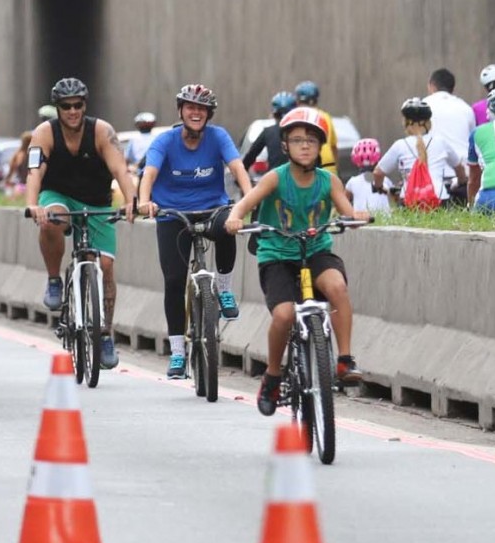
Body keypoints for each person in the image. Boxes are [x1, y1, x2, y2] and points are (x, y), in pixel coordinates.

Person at [224, 107, 369, 416]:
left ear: (321, 147)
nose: (305, 146)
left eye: (312, 141)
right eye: (297, 140)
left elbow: (347, 212)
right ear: (285, 145)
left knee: (338, 288)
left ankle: (344, 360)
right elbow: (243, 205)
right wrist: (235, 218)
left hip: (315, 251)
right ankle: (273, 376)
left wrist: (356, 216)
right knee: (284, 315)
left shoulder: (329, 181)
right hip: (277, 255)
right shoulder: (274, 179)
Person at [137, 84, 253, 379]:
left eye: (202, 109)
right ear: (181, 110)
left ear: (209, 114)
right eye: (190, 107)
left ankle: (224, 290)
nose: (196, 113)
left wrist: (246, 202)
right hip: (172, 214)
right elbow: (149, 173)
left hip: (211, 208)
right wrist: (144, 201)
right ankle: (178, 352)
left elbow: (238, 168)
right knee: (174, 281)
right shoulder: (165, 140)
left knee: (228, 225)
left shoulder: (218, 136)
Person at [25, 77, 135, 371]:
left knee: (106, 266)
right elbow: (34, 172)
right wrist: (33, 204)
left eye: (77, 105)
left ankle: (105, 333)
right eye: (66, 106)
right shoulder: (44, 133)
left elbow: (120, 171)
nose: (72, 111)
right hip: (57, 195)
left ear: (85, 105)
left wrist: (131, 202)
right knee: (52, 220)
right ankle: (54, 280)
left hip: (96, 202)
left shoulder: (102, 131)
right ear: (57, 108)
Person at [373, 98, 466, 206]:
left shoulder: (400, 145)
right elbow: (459, 168)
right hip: (438, 199)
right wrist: (460, 182)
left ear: (406, 123)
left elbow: (378, 173)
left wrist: (379, 186)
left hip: (409, 201)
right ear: (428, 123)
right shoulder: (441, 142)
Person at [424, 68, 475, 203]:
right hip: (463, 179)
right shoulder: (466, 108)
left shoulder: (423, 106)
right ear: (452, 88)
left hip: (431, 179)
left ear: (431, 85)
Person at [242, 91, 296, 176]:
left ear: (274, 114)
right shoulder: (302, 132)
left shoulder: (268, 132)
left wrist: (241, 174)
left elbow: (250, 156)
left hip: (274, 179)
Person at [294, 81, 338, 175]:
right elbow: (333, 146)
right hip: (328, 165)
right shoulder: (325, 116)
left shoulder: (296, 117)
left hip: (307, 165)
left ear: (298, 101)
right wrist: (335, 167)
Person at [344, 138, 392, 213]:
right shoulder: (385, 180)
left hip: (361, 219)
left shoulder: (352, 182)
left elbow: (344, 202)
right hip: (385, 219)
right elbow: (393, 198)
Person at [5, 131, 33, 195]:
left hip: (20, 185)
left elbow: (11, 170)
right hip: (30, 185)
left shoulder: (18, 154)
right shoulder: (33, 154)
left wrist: (7, 179)